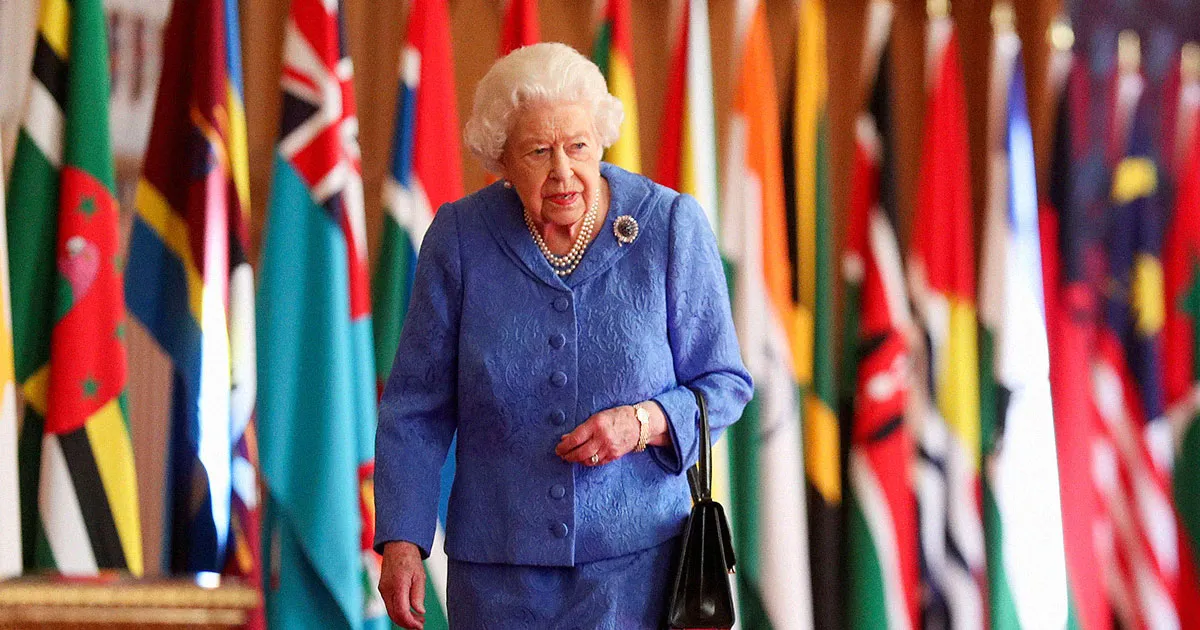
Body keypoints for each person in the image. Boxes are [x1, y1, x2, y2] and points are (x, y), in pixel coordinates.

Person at [374, 42, 752, 629]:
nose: (562, 171)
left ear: (600, 140)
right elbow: (417, 407)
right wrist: (402, 540)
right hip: (497, 579)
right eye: (537, 151)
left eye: (577, 146)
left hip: (639, 570)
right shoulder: (460, 237)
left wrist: (643, 422)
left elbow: (724, 384)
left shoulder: (669, 226)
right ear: (501, 158)